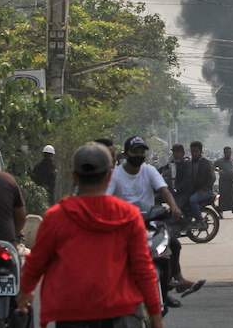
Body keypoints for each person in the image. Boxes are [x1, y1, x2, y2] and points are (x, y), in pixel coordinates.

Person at [18, 142, 164, 328]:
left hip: (72, 314)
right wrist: (156, 317)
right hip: (122, 314)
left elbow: (36, 262)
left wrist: (26, 292)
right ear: (109, 176)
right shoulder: (129, 216)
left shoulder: (57, 217)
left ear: (74, 177)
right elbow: (143, 270)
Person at [108, 136, 196, 307]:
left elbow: (164, 190)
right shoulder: (116, 175)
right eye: (135, 152)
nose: (139, 155)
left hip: (149, 224)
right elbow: (106, 197)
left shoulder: (149, 171)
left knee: (172, 246)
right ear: (126, 154)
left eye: (142, 152)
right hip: (124, 226)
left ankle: (164, 288)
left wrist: (173, 206)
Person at [189, 141, 216, 220]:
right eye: (192, 151)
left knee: (192, 200)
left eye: (196, 151)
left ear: (201, 151)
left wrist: (204, 190)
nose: (194, 153)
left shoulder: (206, 163)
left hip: (206, 191)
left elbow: (212, 178)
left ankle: (199, 221)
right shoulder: (190, 163)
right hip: (194, 190)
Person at [214, 146, 233, 218]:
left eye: (229, 152)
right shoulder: (220, 161)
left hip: (231, 181)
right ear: (224, 153)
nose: (228, 154)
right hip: (224, 182)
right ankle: (221, 213)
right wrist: (219, 170)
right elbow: (212, 166)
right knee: (223, 197)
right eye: (227, 152)